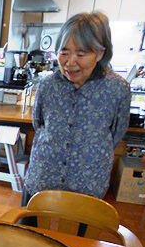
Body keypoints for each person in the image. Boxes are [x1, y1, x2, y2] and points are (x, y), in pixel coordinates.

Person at [22, 11, 131, 206]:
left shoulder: (117, 89)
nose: (70, 62)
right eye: (64, 52)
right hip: (43, 178)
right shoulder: (48, 86)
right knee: (29, 234)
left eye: (81, 54)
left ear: (100, 53)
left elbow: (116, 133)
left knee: (81, 236)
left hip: (88, 183)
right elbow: (39, 125)